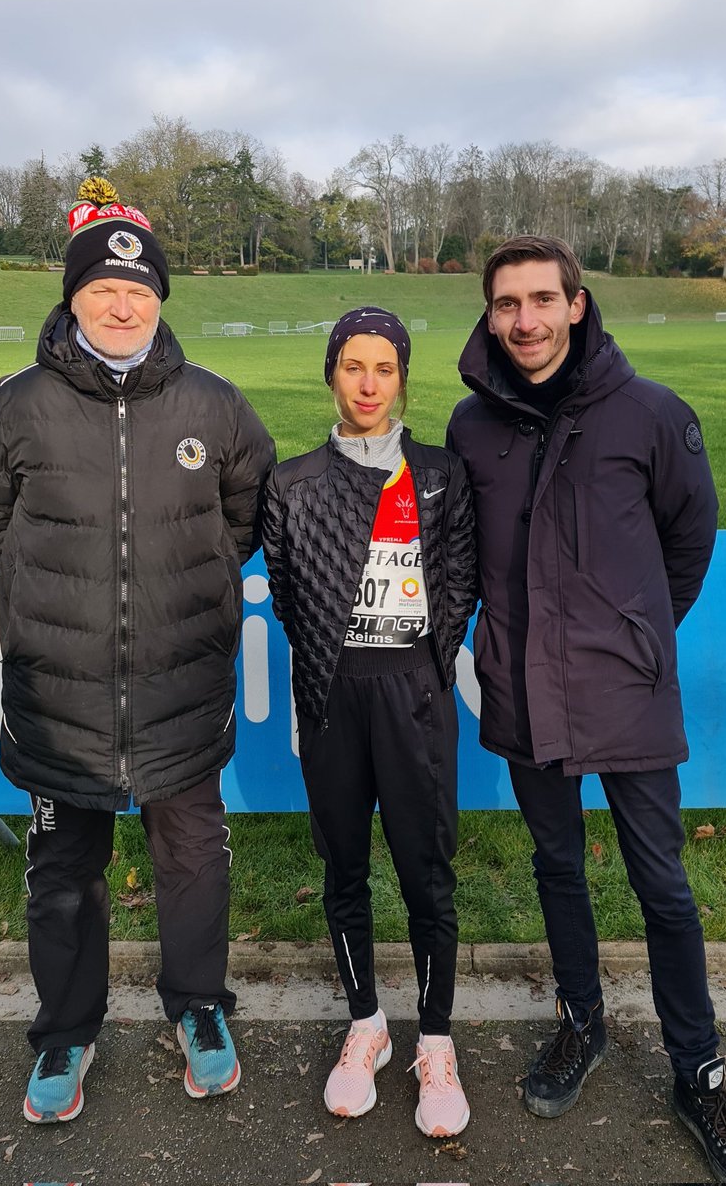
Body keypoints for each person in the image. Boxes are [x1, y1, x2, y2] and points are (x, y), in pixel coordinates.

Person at [446, 236, 726, 1184]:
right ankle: (581, 1023)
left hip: (624, 688)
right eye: (508, 304)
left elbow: (689, 537)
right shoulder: (473, 427)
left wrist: (637, 632)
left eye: (543, 299)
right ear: (490, 314)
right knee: (557, 865)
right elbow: (467, 555)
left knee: (660, 884)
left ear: (577, 304)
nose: (526, 321)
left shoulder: (654, 415)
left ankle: (697, 1070)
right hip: (523, 688)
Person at [0, 178, 276, 1124]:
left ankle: (200, 1010)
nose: (122, 304)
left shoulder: (215, 406)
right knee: (64, 872)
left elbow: (246, 513)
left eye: (138, 290)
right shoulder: (13, 406)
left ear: (161, 298)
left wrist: (199, 567)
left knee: (192, 858)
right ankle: (64, 1031)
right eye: (102, 290)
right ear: (74, 298)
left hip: (182, 691)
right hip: (63, 699)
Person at [260, 308, 477, 1138]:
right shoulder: (294, 481)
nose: (368, 384)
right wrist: (333, 659)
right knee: (344, 868)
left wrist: (424, 666)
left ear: (403, 378)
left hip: (413, 695)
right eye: (353, 366)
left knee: (427, 877)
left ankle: (436, 1040)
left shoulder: (441, 475)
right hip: (333, 698)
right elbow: (286, 589)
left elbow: (459, 583)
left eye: (384, 369)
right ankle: (366, 1027)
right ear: (331, 373)